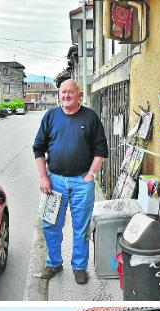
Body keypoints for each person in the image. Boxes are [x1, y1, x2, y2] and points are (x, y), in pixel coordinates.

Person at [32, 79, 109, 285]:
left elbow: (101, 149)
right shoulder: (50, 116)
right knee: (50, 225)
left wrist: (90, 175)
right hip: (54, 182)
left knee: (80, 227)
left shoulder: (90, 117)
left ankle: (79, 267)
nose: (66, 96)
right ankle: (54, 262)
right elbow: (38, 148)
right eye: (63, 92)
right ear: (59, 95)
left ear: (79, 95)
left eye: (70, 92)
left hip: (81, 183)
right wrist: (43, 177)